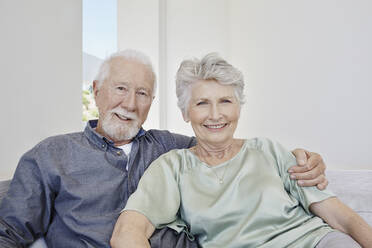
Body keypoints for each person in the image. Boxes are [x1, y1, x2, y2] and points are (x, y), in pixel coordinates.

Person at [0, 50, 327, 248]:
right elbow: (9, 231)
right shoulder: (52, 155)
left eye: (142, 93)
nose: (129, 103)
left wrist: (299, 156)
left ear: (151, 103)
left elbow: (228, 148)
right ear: (97, 91)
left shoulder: (172, 147)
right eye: (120, 88)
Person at [110, 53, 372, 248]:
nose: (215, 115)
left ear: (239, 107)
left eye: (225, 101)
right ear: (185, 112)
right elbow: (127, 232)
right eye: (202, 103)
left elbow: (342, 218)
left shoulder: (268, 150)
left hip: (318, 242)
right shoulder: (171, 168)